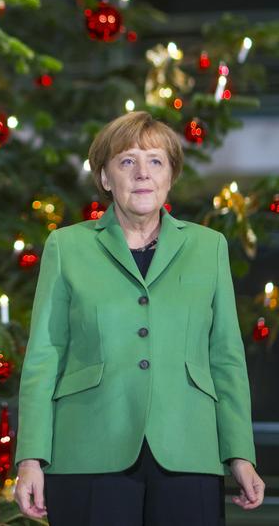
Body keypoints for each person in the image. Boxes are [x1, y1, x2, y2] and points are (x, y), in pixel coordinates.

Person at [14, 110, 265, 525]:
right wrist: (30, 459)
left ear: (171, 175)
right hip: (87, 448)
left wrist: (240, 454)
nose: (142, 173)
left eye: (156, 161)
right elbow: (45, 355)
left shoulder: (210, 247)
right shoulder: (66, 246)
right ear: (105, 177)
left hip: (189, 448)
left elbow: (226, 357)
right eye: (127, 161)